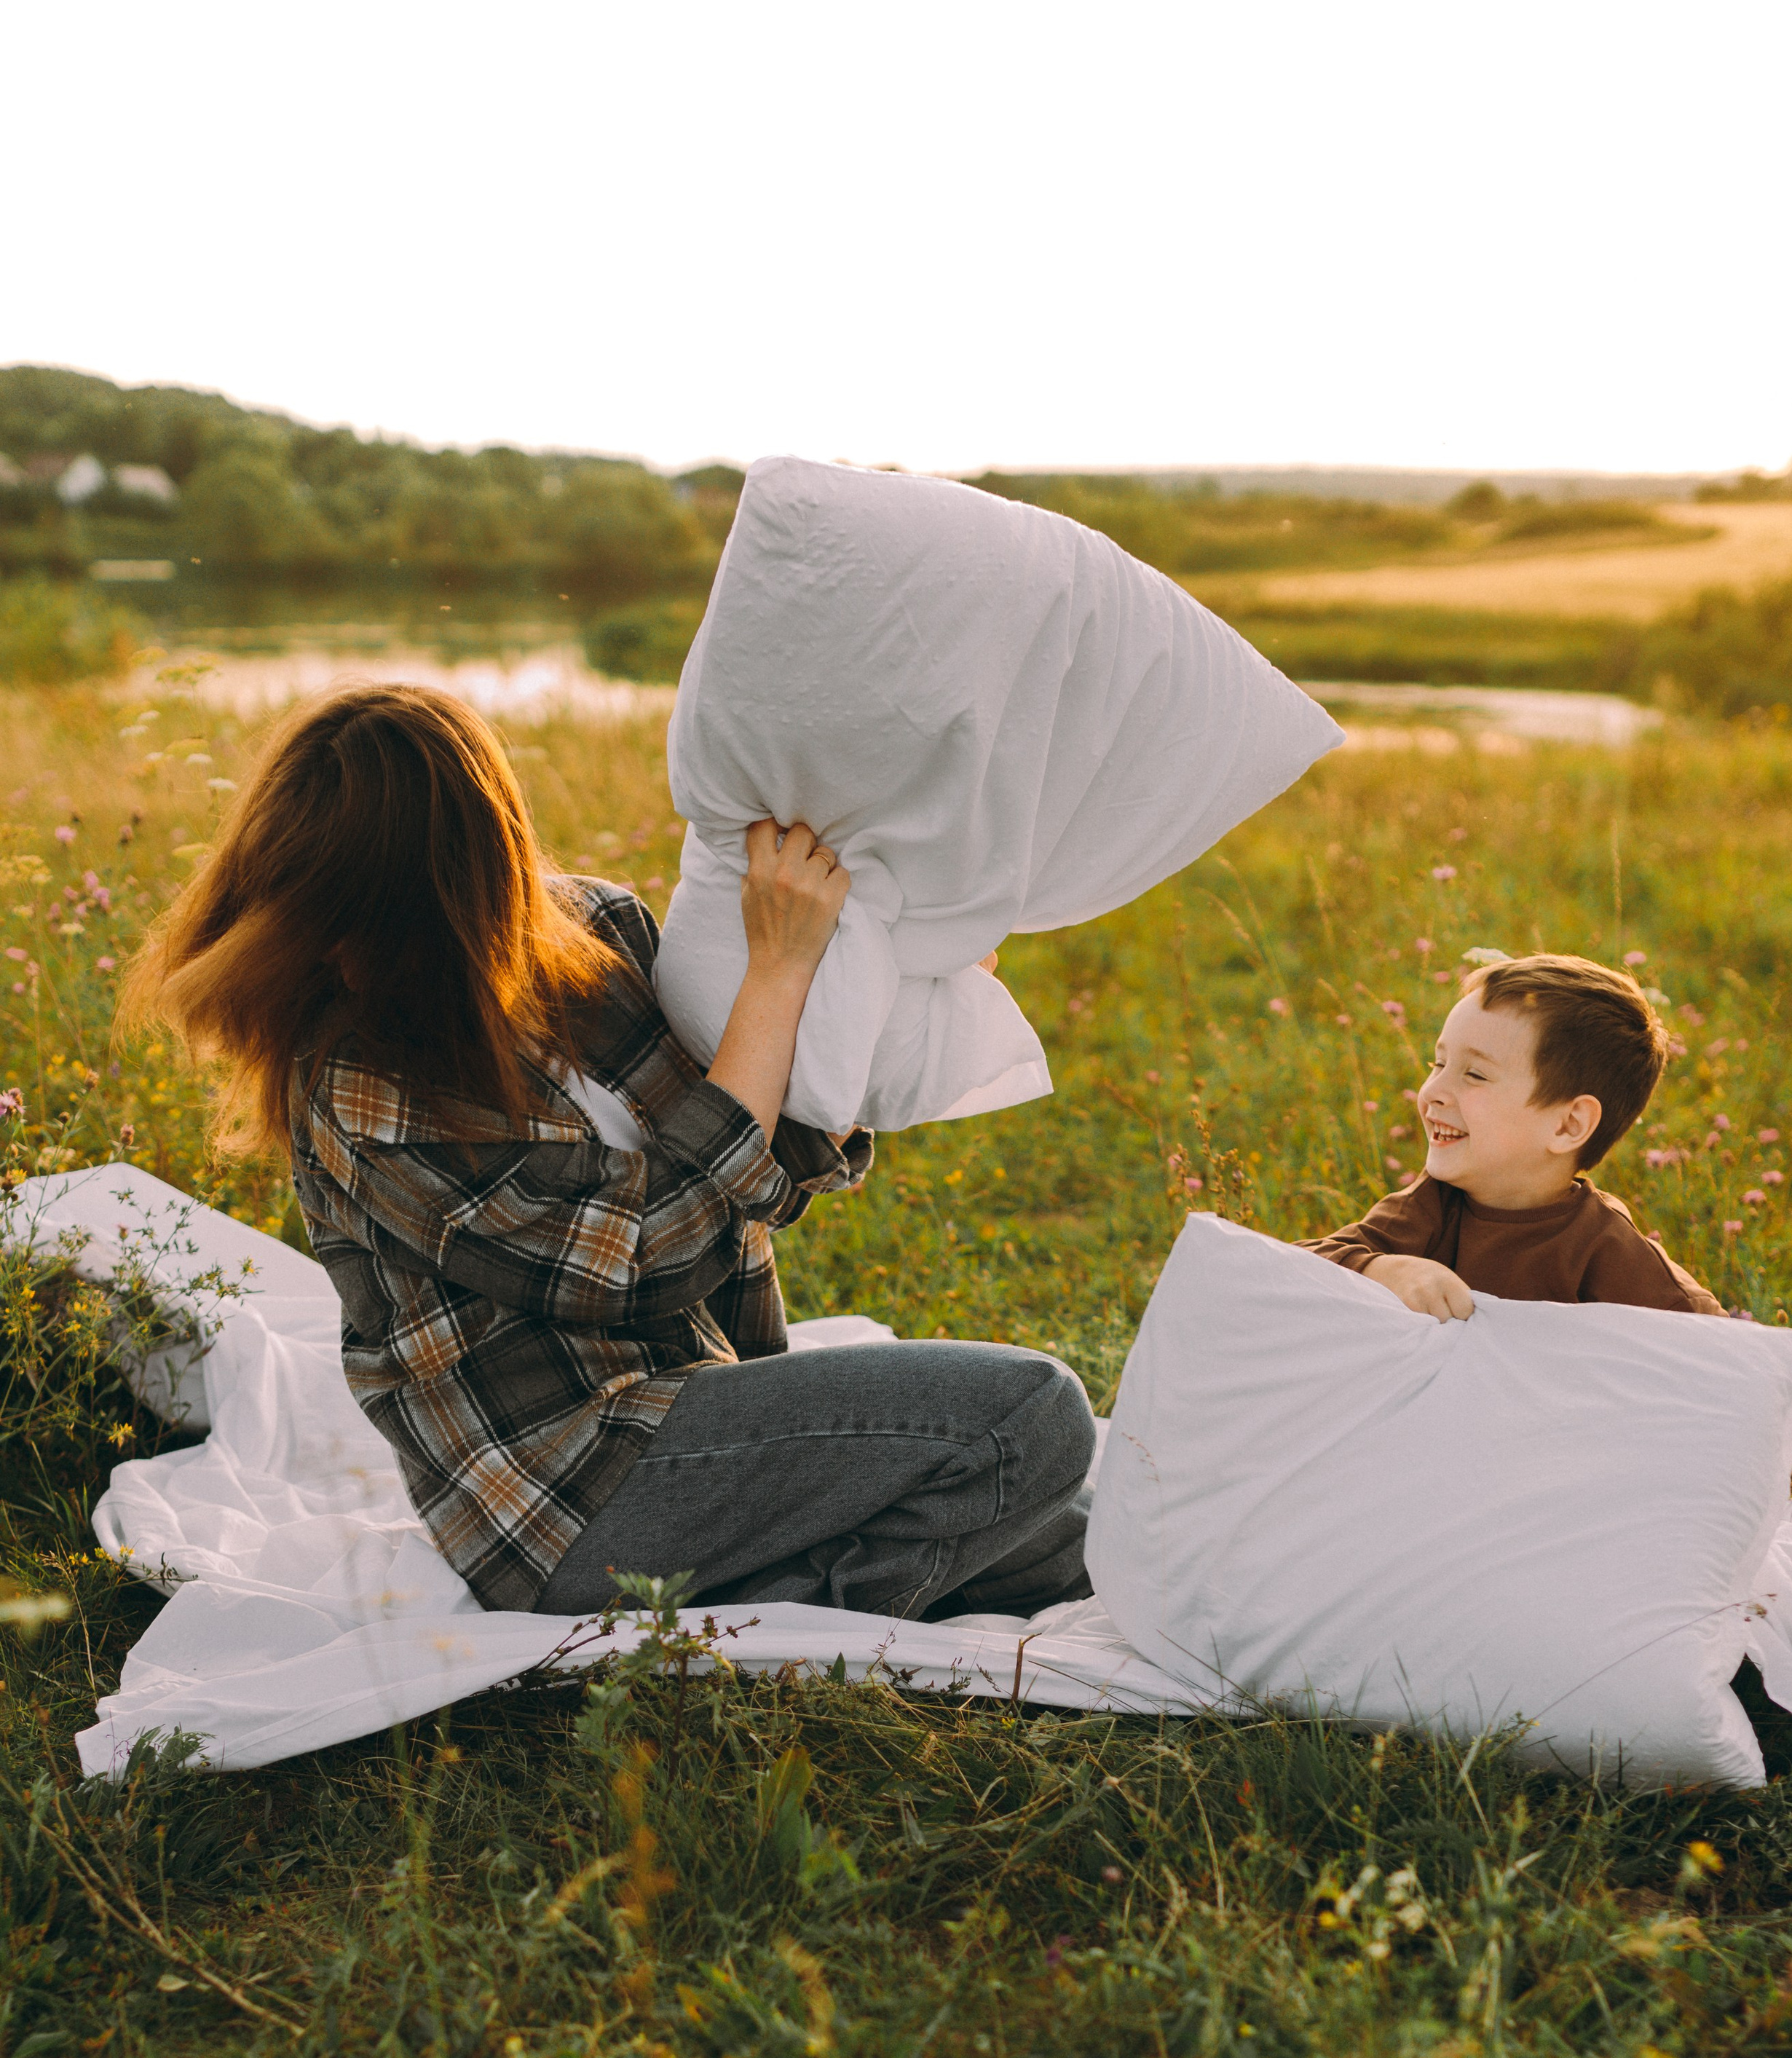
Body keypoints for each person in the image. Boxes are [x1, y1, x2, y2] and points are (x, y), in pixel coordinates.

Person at [121, 685, 1095, 1620]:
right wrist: (781, 973)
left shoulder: (599, 933)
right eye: (311, 922)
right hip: (566, 1499)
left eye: (360, 923)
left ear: (452, 895)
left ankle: (823, 1568)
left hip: (709, 1404)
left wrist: (887, 979)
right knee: (1033, 1416)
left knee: (1072, 1525)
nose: (333, 958)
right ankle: (794, 1621)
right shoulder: (359, 1088)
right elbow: (647, 1261)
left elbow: (761, 1150)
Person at [1305, 952, 1721, 1318]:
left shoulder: (1607, 1250)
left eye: (1475, 1074)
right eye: (1438, 1063)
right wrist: (1381, 1270)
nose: (1432, 1092)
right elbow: (1295, 1267)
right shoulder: (1433, 1205)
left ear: (1568, 1125)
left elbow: (1735, 1352)